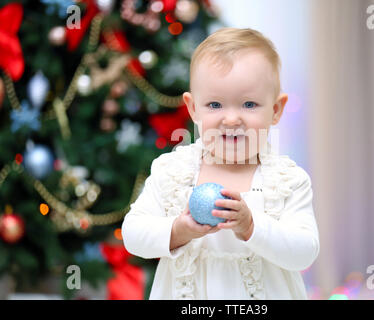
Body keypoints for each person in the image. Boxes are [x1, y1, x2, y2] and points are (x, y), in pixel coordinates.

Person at [121, 27, 320, 300]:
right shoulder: (173, 171)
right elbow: (132, 234)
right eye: (215, 105)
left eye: (249, 104)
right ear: (192, 109)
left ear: (275, 110)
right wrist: (179, 230)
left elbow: (304, 251)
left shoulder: (286, 180)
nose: (231, 119)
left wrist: (252, 226)